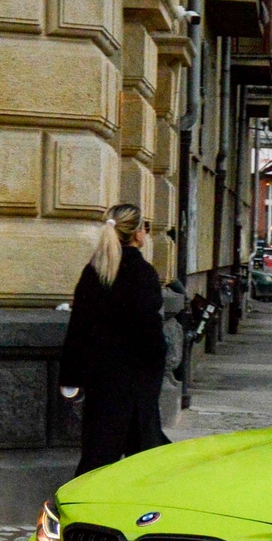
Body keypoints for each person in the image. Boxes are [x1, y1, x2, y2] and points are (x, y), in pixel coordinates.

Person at [57, 203, 169, 475]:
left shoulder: (95, 271)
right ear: (138, 232)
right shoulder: (142, 273)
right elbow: (150, 331)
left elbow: (78, 326)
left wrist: (70, 377)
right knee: (142, 460)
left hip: (100, 379)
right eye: (146, 227)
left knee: (97, 455)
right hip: (135, 381)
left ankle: (85, 508)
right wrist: (157, 367)